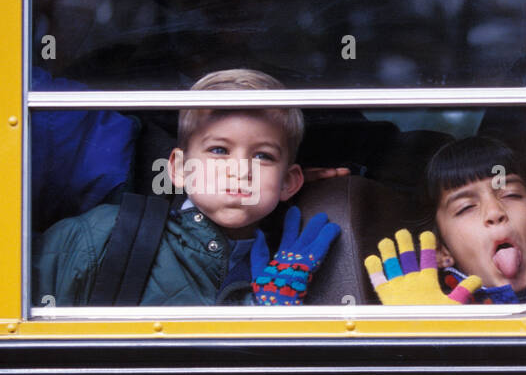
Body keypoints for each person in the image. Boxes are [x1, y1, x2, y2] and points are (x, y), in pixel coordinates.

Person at [33, 69, 337, 307]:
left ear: (288, 182)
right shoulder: (105, 234)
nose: (240, 170)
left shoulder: (292, 268)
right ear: (179, 168)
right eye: (219, 150)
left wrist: (269, 314)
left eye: (263, 156)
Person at [366, 136, 526, 305]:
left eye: (512, 194)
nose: (494, 212)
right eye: (466, 207)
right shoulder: (442, 314)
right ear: (440, 250)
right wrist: (421, 323)